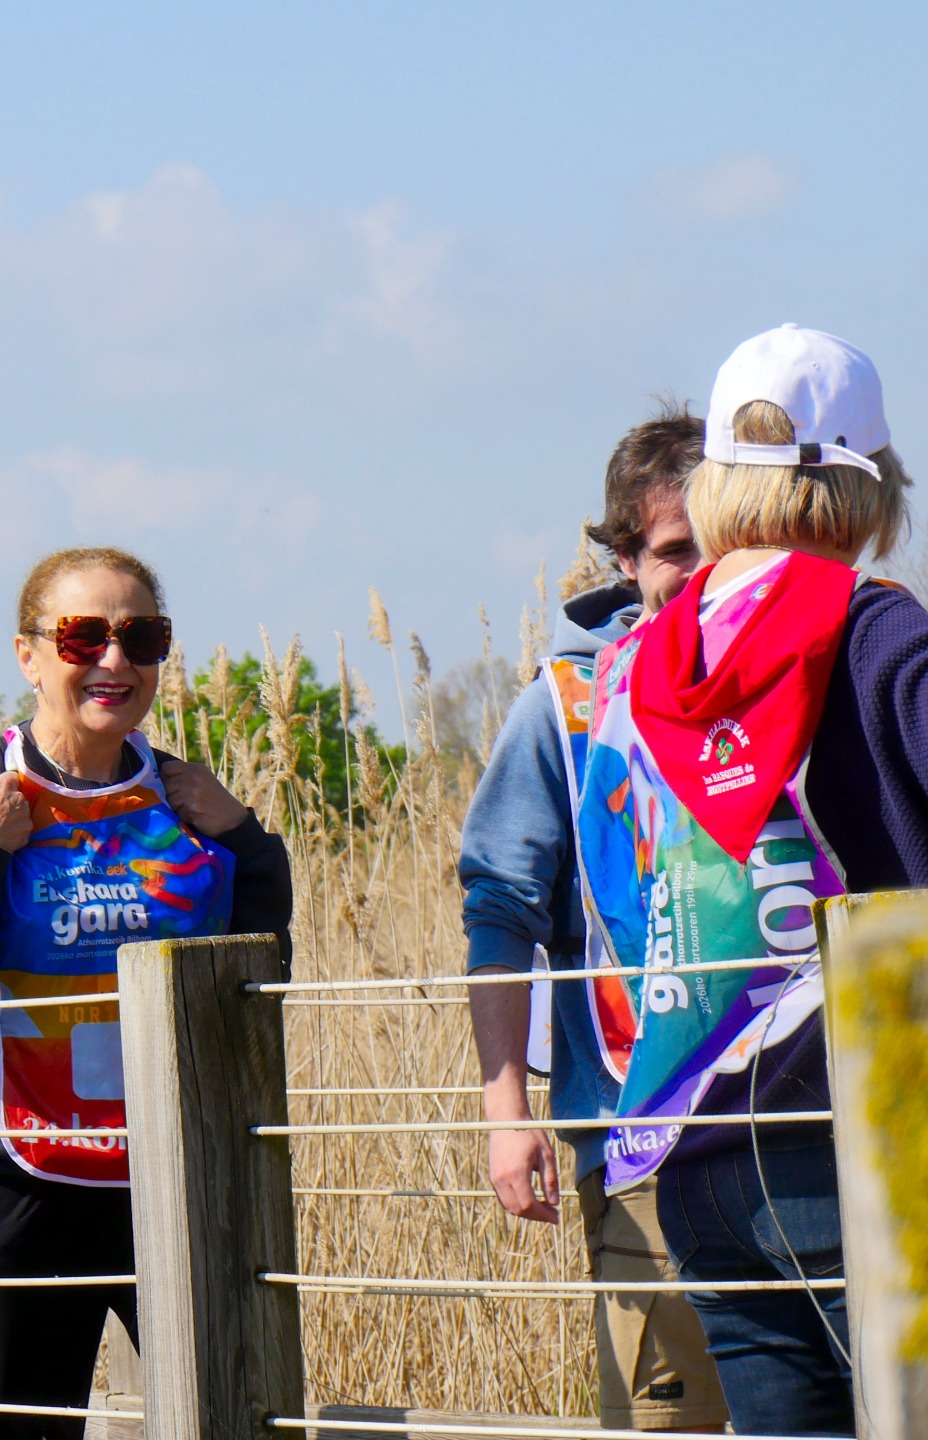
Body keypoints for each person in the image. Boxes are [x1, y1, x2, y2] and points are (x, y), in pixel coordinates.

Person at [0, 547, 292, 1440]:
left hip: (170, 1171)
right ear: (28, 655)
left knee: (229, 1407)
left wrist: (248, 843)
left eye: (142, 638)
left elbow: (257, 985)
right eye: (84, 637)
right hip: (8, 1180)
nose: (114, 661)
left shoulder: (186, 795)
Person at [577, 324, 922, 1435]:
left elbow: (613, 893)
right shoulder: (872, 634)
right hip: (858, 1127)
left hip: (694, 1142)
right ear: (870, 487)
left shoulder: (634, 665)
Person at [460, 405, 728, 1432]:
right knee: (667, 1420)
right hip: (638, 1133)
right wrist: (507, 1114)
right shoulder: (565, 706)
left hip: (804, 1124)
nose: (702, 571)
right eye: (674, 549)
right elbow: (499, 907)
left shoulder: (805, 674)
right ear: (624, 558)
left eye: (725, 539)